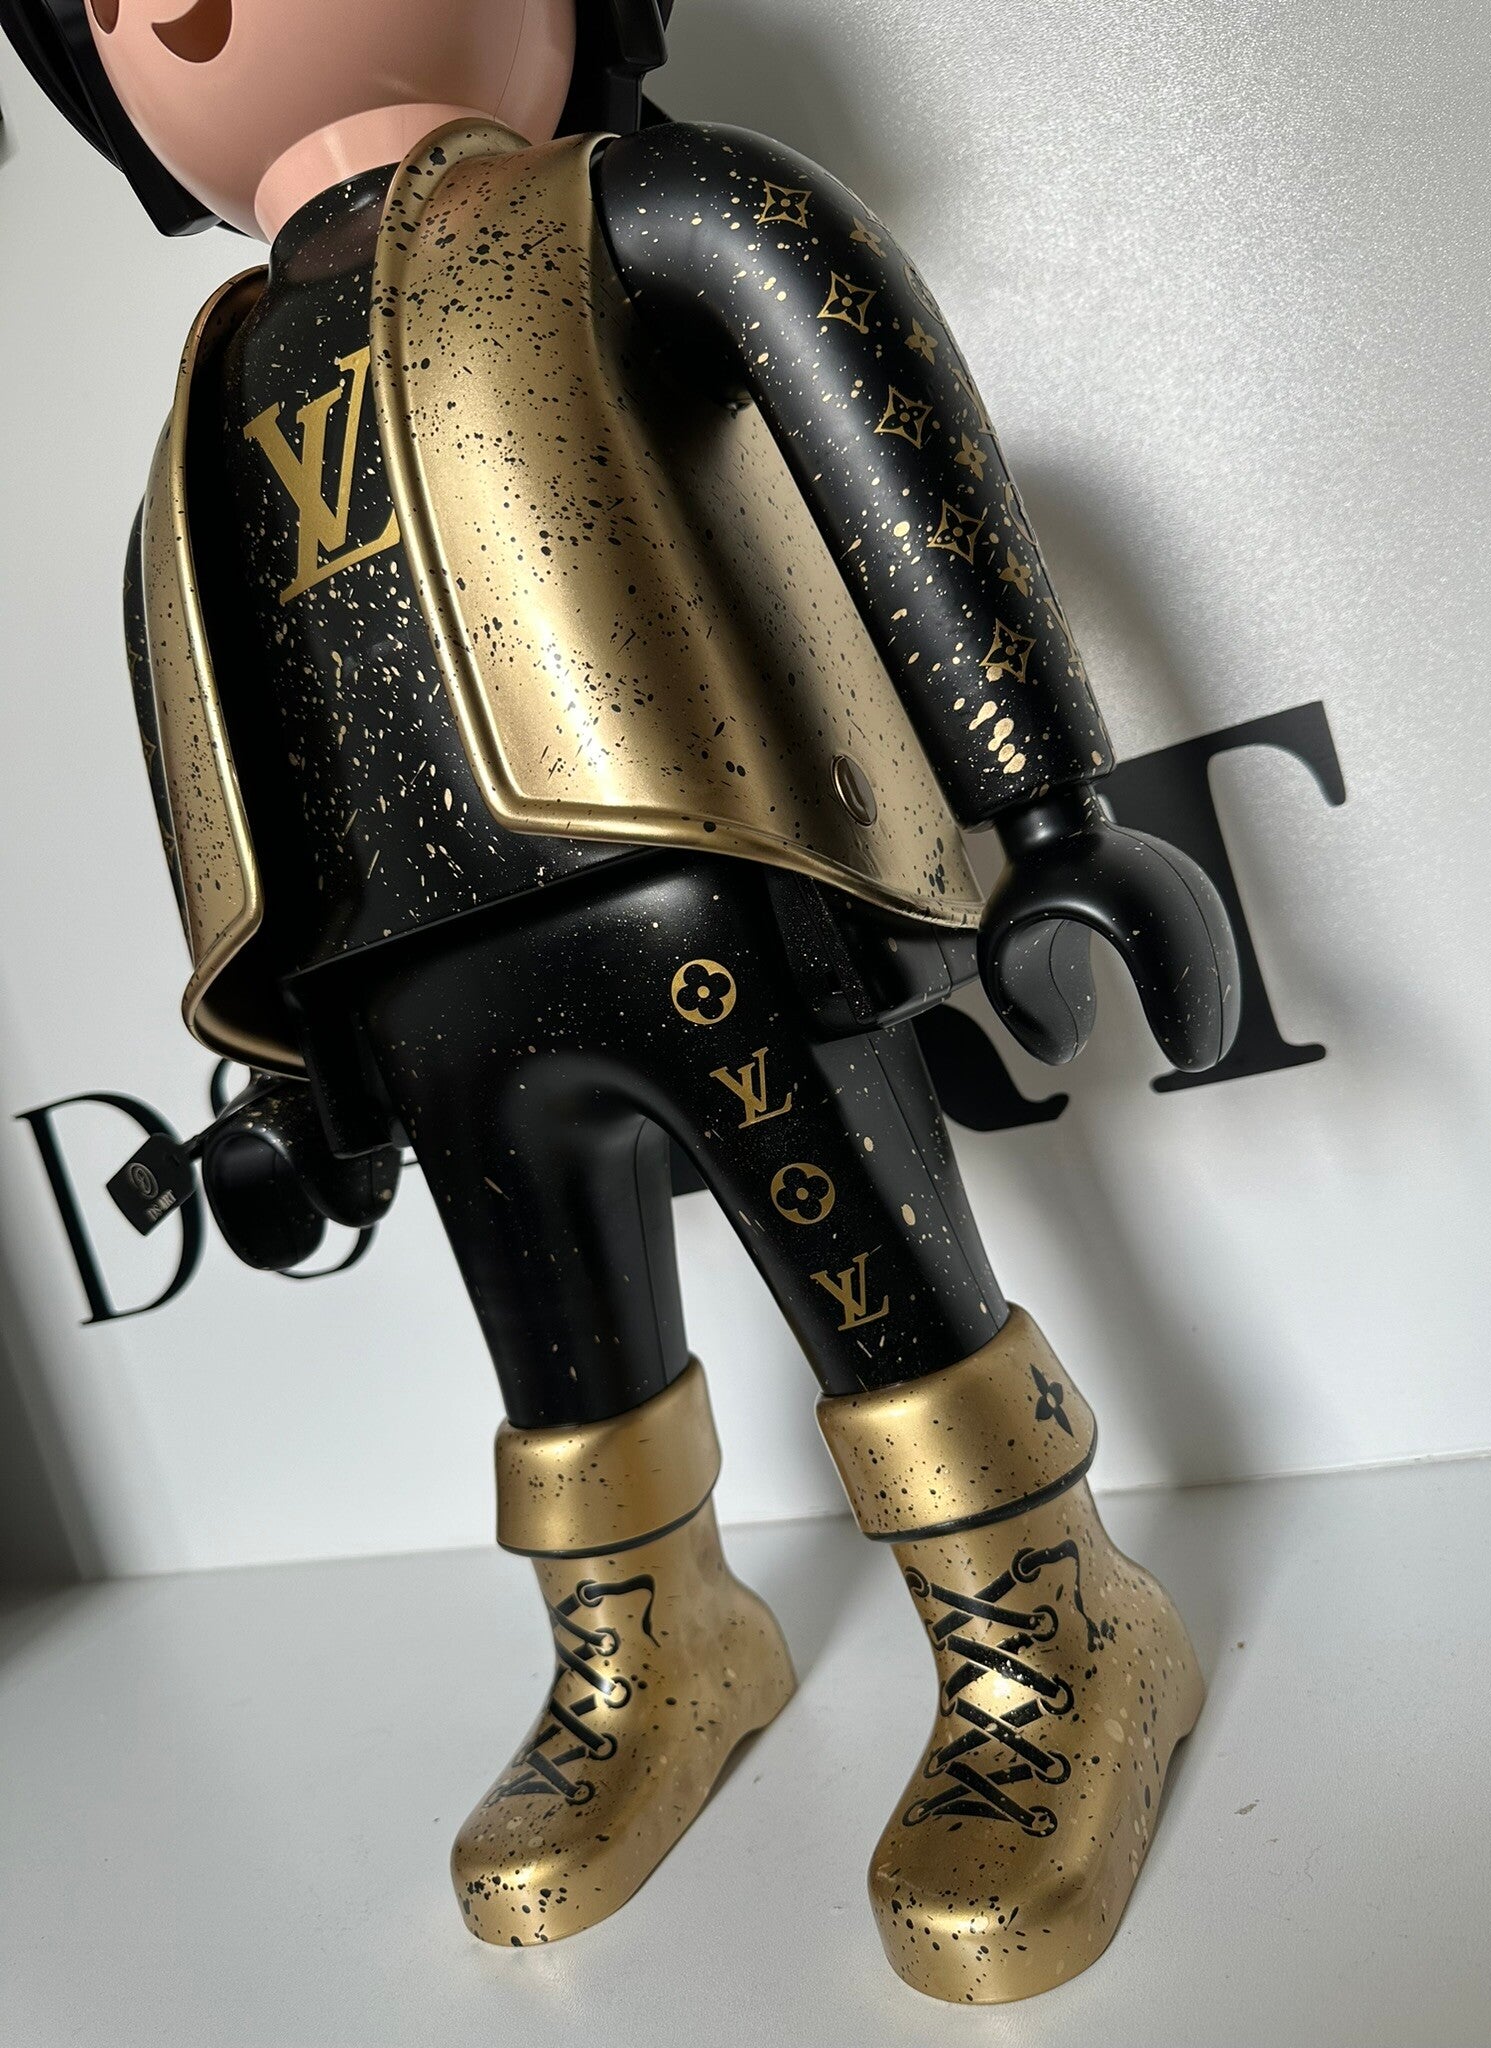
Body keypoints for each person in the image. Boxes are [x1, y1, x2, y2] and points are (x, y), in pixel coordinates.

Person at [0, 0, 1238, 2002]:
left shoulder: (637, 213)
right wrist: (286, 1073)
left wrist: (1049, 805)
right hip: (409, 977)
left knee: (879, 1288)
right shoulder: (206, 403)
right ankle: (653, 1644)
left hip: (702, 875)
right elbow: (213, 730)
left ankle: (1053, 1617)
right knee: (556, 1357)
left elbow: (883, 432)